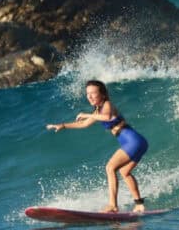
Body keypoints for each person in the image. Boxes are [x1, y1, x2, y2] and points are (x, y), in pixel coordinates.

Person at [46, 80, 149, 213]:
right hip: (137, 142)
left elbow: (106, 117)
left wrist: (86, 114)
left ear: (103, 94)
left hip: (132, 141)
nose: (89, 96)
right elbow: (84, 124)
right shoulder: (97, 111)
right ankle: (139, 204)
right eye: (87, 94)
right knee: (124, 172)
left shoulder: (107, 104)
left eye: (93, 93)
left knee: (110, 167)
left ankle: (112, 205)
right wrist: (63, 125)